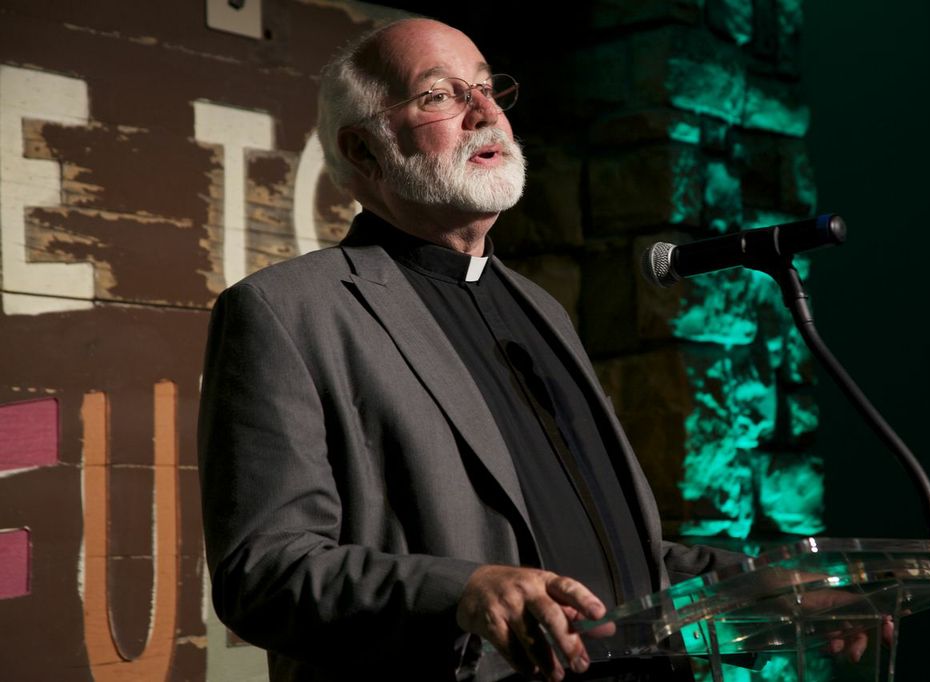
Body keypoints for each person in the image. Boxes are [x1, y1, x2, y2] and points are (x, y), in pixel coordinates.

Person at [197, 17, 745, 682]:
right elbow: (264, 572)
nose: (485, 112)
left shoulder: (539, 310)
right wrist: (461, 592)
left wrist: (774, 581)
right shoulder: (289, 312)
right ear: (366, 150)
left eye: (487, 89)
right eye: (439, 96)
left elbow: (610, 552)